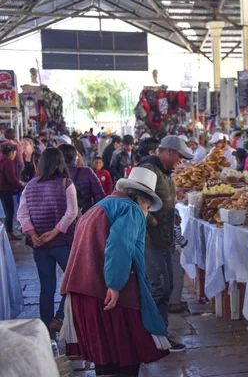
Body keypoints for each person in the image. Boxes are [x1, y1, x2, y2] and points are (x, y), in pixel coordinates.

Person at [60, 167, 171, 375]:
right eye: (148, 206)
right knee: (127, 356)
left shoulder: (99, 206)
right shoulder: (132, 209)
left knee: (105, 356)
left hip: (81, 290)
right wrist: (114, 284)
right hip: (107, 292)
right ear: (143, 200)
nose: (147, 212)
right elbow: (119, 245)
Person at [138, 136, 192, 351]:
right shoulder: (149, 169)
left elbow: (162, 201)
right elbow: (137, 201)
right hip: (151, 241)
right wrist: (153, 220)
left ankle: (159, 335)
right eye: (179, 156)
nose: (181, 161)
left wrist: (173, 213)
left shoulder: (164, 171)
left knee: (165, 287)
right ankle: (149, 336)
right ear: (168, 151)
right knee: (159, 288)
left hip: (164, 238)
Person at [16, 148, 78, 334]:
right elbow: (72, 213)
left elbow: (22, 214)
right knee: (73, 281)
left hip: (39, 245)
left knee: (46, 285)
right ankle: (59, 317)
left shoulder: (30, 186)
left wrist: (34, 235)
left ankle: (45, 328)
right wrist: (54, 232)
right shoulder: (66, 184)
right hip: (63, 242)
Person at [59, 144, 105, 214]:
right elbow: (100, 197)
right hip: (85, 216)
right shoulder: (87, 172)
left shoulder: (52, 174)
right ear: (75, 157)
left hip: (61, 218)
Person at [0, 145, 24, 240]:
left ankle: (5, 233)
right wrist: (21, 186)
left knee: (3, 212)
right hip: (7, 191)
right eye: (14, 153)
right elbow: (11, 178)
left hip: (2, 189)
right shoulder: (8, 162)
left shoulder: (1, 159)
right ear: (11, 153)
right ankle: (9, 233)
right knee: (9, 212)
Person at [169, 208, 188, 314]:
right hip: (172, 248)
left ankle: (171, 300)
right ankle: (175, 303)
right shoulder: (172, 213)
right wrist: (183, 241)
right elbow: (175, 231)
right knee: (177, 275)